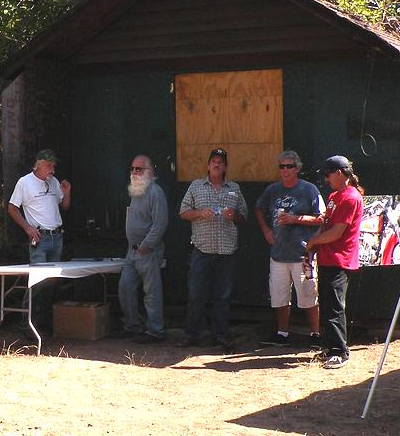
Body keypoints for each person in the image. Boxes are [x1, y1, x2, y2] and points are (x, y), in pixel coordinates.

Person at [178, 148, 248, 352]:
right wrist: (200, 213)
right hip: (202, 249)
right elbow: (183, 212)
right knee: (196, 294)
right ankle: (192, 334)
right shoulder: (195, 186)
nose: (217, 165)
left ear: (226, 167)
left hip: (227, 251)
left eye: (221, 162)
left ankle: (221, 335)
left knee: (222, 296)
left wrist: (233, 215)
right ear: (208, 165)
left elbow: (244, 216)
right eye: (214, 161)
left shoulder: (234, 188)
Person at [255, 150, 324, 349]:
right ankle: (282, 333)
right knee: (279, 295)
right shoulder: (273, 190)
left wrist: (296, 219)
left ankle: (315, 334)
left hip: (302, 252)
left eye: (289, 166)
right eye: (282, 166)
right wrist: (266, 230)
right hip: (278, 253)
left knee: (308, 293)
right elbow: (258, 208)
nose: (285, 170)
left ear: (297, 168)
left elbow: (321, 218)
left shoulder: (309, 190)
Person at [305, 155, 363, 369]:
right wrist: (313, 249)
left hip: (340, 259)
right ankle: (330, 348)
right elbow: (326, 225)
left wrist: (312, 241)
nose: (326, 179)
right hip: (327, 258)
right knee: (328, 304)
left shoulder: (350, 197)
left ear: (339, 173)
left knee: (335, 307)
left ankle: (340, 351)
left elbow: (336, 233)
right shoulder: (334, 196)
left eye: (328, 174)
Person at [7, 149, 71, 331]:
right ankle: (27, 323)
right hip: (40, 238)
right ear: (39, 164)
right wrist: (27, 228)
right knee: (37, 281)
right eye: (49, 166)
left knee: (51, 282)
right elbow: (12, 208)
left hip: (56, 236)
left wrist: (67, 192)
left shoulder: (54, 182)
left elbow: (65, 206)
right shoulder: (25, 182)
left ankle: (42, 321)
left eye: (54, 166)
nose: (52, 169)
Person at [116, 155, 169, 343]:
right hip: (132, 251)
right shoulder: (135, 192)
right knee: (125, 287)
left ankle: (155, 331)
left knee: (151, 292)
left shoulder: (156, 192)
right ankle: (133, 326)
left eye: (139, 169)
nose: (134, 172)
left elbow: (160, 224)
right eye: (132, 169)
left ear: (150, 172)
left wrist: (146, 246)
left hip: (148, 251)